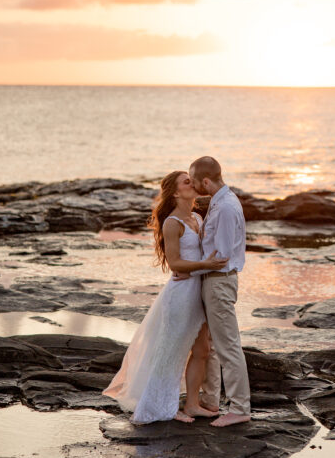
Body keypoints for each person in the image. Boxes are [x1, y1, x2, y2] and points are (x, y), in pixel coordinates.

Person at [102, 171, 228, 424]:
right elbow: (175, 264)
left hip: (200, 290)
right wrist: (205, 264)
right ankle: (162, 407)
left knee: (202, 350)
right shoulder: (172, 223)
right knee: (172, 352)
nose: (192, 183)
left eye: (191, 179)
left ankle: (192, 404)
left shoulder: (196, 217)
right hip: (181, 294)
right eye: (186, 181)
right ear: (175, 193)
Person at [174, 155, 251, 427]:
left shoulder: (227, 207)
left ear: (206, 180)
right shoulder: (219, 202)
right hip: (211, 280)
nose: (193, 186)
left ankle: (241, 408)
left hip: (219, 281)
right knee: (214, 347)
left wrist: (190, 270)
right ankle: (211, 400)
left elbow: (222, 254)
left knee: (227, 346)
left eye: (195, 181)